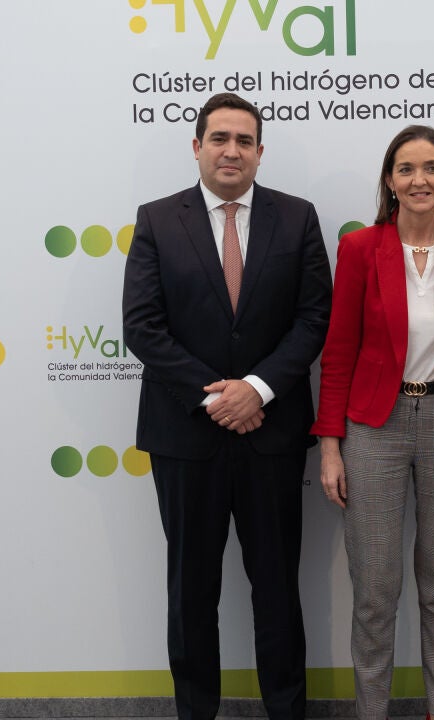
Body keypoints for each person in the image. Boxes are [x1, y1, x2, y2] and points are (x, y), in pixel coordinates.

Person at [122, 92, 332, 720]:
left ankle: (287, 711)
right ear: (197, 147)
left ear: (260, 152)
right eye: (219, 138)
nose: (231, 150)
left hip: (271, 433)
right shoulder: (158, 219)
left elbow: (313, 318)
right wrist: (217, 396)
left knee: (277, 588)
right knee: (191, 592)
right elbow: (142, 326)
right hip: (186, 437)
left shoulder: (297, 218)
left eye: (244, 140)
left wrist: (257, 389)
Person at [311, 125, 434, 720]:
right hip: (375, 428)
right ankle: (371, 712)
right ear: (389, 180)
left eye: (430, 167)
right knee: (375, 589)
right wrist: (330, 446)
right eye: (406, 169)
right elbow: (338, 353)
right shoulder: (359, 249)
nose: (419, 180)